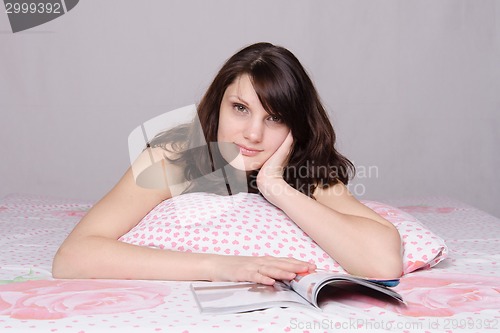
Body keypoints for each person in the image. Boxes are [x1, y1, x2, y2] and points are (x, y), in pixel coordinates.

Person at [52, 42, 403, 285]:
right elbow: (73, 256)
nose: (252, 134)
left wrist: (276, 187)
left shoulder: (306, 170)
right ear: (218, 105)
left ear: (296, 126)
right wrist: (221, 266)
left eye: (275, 118)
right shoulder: (172, 160)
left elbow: (383, 262)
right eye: (240, 109)